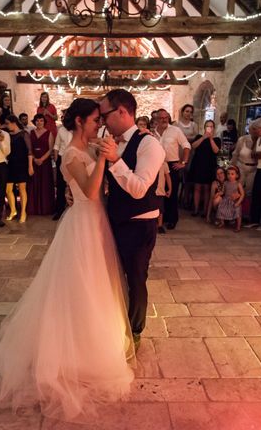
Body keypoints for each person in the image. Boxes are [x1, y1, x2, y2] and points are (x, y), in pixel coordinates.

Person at [0, 98, 134, 422]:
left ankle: (93, 340)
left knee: (94, 286)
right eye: (95, 119)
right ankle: (72, 352)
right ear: (80, 122)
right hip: (81, 223)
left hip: (95, 223)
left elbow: (97, 185)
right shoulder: (69, 154)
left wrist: (102, 156)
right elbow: (92, 192)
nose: (100, 124)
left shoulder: (88, 149)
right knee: (76, 287)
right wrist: (105, 161)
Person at [98, 89, 165, 351]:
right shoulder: (112, 139)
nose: (103, 122)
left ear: (122, 112)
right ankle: (115, 325)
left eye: (105, 115)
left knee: (136, 278)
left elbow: (138, 188)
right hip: (114, 219)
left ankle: (135, 332)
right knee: (113, 277)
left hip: (139, 223)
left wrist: (115, 159)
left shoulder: (150, 144)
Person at [153, 109, 190, 229]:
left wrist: (183, 162)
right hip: (156, 166)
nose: (164, 119)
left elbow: (186, 145)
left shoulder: (175, 130)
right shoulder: (152, 133)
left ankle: (171, 219)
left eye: (166, 117)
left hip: (172, 165)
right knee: (157, 193)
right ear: (156, 119)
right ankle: (158, 218)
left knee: (171, 193)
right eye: (161, 118)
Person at [4, 115, 34, 223]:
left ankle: (23, 212)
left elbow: (30, 151)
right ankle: (13, 210)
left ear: (14, 122)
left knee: (22, 188)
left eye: (8, 123)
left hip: (22, 163)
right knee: (8, 189)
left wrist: (30, 166)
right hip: (10, 163)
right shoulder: (7, 135)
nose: (7, 126)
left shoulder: (23, 134)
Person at [188, 120, 220, 217]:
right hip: (198, 164)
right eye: (207, 126)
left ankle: (205, 210)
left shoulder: (217, 139)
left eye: (211, 126)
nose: (209, 128)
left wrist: (210, 139)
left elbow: (216, 150)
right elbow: (193, 146)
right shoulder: (199, 137)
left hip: (209, 165)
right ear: (204, 127)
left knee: (207, 188)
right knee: (197, 187)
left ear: (213, 128)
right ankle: (196, 209)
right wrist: (203, 137)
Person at [27, 113, 55, 216]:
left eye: (41, 121)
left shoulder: (49, 133)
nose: (39, 122)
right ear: (35, 122)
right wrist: (34, 159)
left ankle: (45, 209)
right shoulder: (31, 133)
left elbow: (50, 149)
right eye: (38, 120)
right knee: (34, 184)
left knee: (45, 184)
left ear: (44, 122)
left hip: (45, 162)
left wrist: (41, 159)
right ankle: (34, 209)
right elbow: (29, 148)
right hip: (34, 162)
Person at [52, 118, 73, 220]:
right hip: (62, 157)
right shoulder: (61, 130)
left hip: (74, 158)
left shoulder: (77, 129)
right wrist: (56, 159)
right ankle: (59, 210)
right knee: (60, 185)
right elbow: (56, 145)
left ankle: (72, 210)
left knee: (73, 184)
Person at [215, 165, 244, 232]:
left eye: (232, 174)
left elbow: (242, 194)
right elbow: (223, 191)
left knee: (237, 211)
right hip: (226, 200)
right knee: (221, 208)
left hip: (234, 201)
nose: (230, 176)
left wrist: (238, 202)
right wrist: (219, 193)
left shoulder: (238, 184)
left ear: (236, 175)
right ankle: (222, 222)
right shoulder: (226, 183)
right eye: (228, 174)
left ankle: (238, 226)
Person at [155, 161, 171, 234]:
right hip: (151, 191)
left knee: (160, 209)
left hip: (160, 191)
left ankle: (160, 225)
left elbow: (167, 177)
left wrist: (170, 189)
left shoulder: (164, 164)